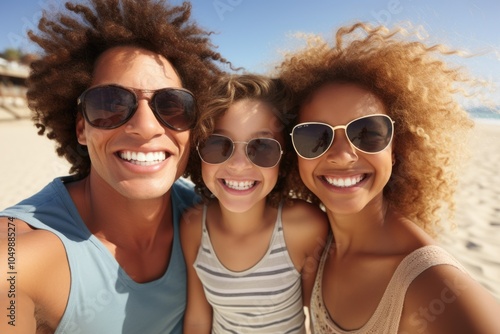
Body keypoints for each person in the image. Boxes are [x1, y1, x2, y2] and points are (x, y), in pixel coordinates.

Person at [0, 0, 228, 333]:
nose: (147, 127)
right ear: (81, 127)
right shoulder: (15, 260)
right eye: (111, 104)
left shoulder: (211, 216)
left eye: (173, 105)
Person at [277, 22, 500, 333]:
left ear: (396, 148)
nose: (342, 154)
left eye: (367, 133)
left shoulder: (434, 288)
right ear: (294, 153)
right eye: (315, 135)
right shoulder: (315, 251)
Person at [181, 74, 329, 333]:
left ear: (284, 162)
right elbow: (197, 317)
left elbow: (318, 313)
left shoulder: (306, 227)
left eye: (262, 147)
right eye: (218, 144)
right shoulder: (193, 226)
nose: (238, 165)